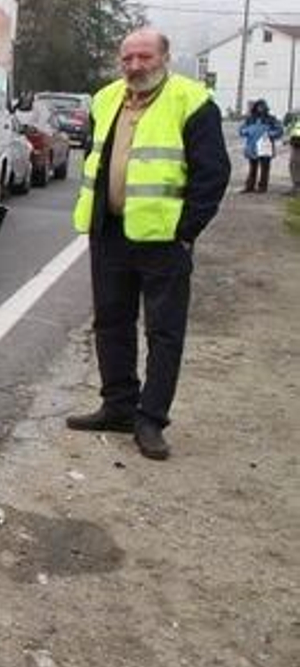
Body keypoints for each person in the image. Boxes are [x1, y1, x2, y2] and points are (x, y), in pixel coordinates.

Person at [67, 27, 229, 461]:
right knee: (111, 323)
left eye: (144, 57)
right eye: (128, 59)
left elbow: (213, 173)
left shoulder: (191, 100)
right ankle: (118, 406)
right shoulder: (105, 99)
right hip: (111, 233)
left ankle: (151, 419)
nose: (135, 66)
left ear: (164, 58)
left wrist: (186, 230)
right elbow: (94, 159)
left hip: (165, 240)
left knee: (163, 332)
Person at [237, 99, 283, 193]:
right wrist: (247, 131)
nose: (260, 108)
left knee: (264, 169)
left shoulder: (271, 119)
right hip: (252, 148)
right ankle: (249, 187)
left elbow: (279, 131)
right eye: (258, 106)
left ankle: (262, 187)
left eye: (262, 106)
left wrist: (270, 134)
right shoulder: (250, 119)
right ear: (255, 108)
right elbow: (241, 130)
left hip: (265, 148)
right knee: (252, 168)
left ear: (265, 108)